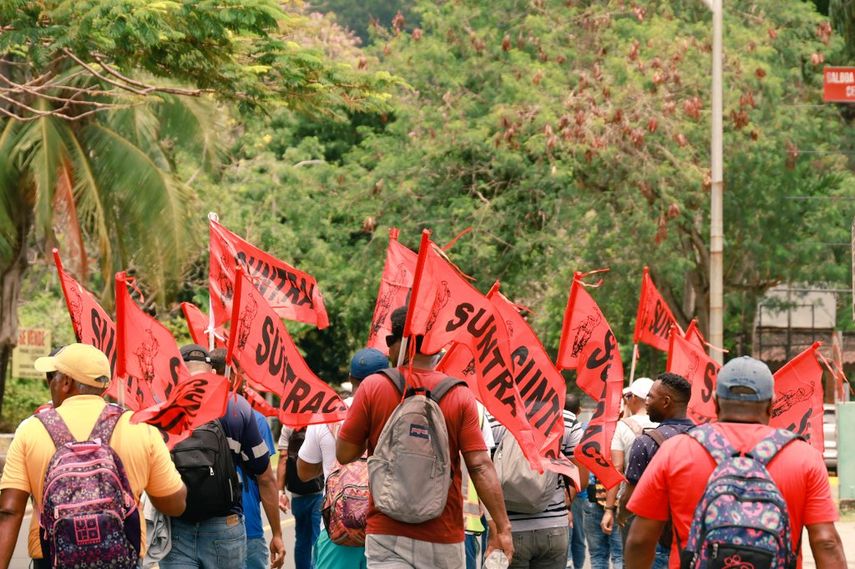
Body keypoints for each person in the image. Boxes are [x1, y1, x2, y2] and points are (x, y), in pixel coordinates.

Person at [625, 356, 847, 569]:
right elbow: (826, 541)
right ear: (772, 403)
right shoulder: (804, 457)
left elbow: (641, 539)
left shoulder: (676, 450)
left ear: (715, 401)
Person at [335, 306, 514, 569]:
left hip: (387, 532)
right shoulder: (459, 394)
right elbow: (479, 465)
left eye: (388, 341)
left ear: (398, 343)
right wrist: (502, 527)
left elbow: (345, 454)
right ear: (434, 343)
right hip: (443, 535)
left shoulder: (373, 387)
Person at [0, 343, 188, 568]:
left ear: (67, 382)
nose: (50, 384)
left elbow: (9, 510)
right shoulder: (139, 427)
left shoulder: (31, 429)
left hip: (53, 559)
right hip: (121, 558)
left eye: (53, 377)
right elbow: (174, 504)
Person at [160, 344, 285, 569]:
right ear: (214, 375)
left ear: (179, 373)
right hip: (225, 525)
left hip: (176, 527)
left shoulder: (163, 409)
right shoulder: (238, 408)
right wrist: (276, 533)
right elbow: (265, 477)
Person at [296, 347, 389, 569]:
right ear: (387, 376)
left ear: (350, 378)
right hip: (386, 530)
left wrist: (331, 463)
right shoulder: (397, 410)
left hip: (337, 530)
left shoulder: (326, 414)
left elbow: (304, 472)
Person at [490, 397, 584, 569]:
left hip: (509, 527)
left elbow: (485, 475)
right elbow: (581, 479)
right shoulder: (566, 419)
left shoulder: (495, 417)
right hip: (553, 527)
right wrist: (566, 501)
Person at [209, 347, 281, 569]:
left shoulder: (193, 416)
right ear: (233, 375)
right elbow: (266, 479)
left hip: (200, 527)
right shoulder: (253, 418)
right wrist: (277, 533)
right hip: (247, 525)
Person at [618, 373, 692, 569]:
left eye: (650, 397)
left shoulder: (646, 443)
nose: (646, 402)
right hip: (695, 543)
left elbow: (631, 497)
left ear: (666, 401)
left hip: (657, 542)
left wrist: (620, 513)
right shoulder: (707, 439)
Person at [600, 378, 655, 542]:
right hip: (660, 500)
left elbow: (617, 469)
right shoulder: (664, 423)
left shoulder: (622, 426)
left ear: (635, 398)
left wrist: (609, 508)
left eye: (628, 395)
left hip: (631, 500)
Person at [278, 423, 324, 569]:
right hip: (319, 493)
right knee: (318, 539)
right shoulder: (320, 422)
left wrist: (281, 492)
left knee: (302, 540)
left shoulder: (289, 425)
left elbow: (283, 459)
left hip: (297, 494)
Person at [564, 394, 587, 569]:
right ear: (579, 411)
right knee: (578, 536)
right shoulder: (578, 429)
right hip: (578, 491)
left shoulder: (548, 424)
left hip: (558, 492)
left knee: (565, 535)